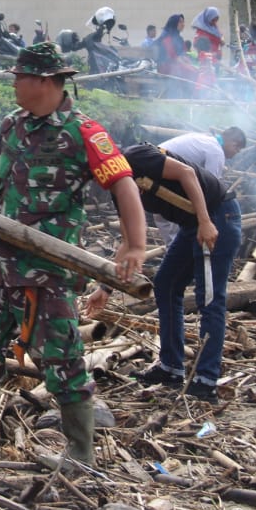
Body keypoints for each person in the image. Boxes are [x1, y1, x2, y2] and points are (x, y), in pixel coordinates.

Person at [0, 43, 147, 466]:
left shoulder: (83, 132)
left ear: (45, 81)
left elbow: (123, 184)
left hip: (49, 266)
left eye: (20, 77)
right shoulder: (13, 125)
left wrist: (134, 244)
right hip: (0, 258)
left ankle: (80, 451)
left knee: (59, 355)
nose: (15, 84)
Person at [87, 143, 241, 402]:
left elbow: (187, 174)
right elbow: (127, 241)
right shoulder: (118, 188)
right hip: (190, 224)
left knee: (210, 299)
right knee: (166, 283)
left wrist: (205, 221)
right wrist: (105, 287)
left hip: (216, 216)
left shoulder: (136, 157)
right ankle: (171, 367)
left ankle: (206, 380)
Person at [161, 128, 247, 179]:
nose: (234, 155)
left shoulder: (207, 139)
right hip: (160, 164)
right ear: (234, 145)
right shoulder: (217, 152)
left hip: (154, 156)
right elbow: (212, 185)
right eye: (237, 151)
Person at [154, 14, 190, 97]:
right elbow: (173, 56)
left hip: (177, 66)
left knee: (193, 70)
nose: (183, 24)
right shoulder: (166, 38)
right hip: (167, 67)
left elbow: (184, 54)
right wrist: (186, 65)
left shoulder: (179, 38)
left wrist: (188, 62)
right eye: (180, 22)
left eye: (183, 22)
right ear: (174, 23)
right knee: (190, 71)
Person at [191, 7, 224, 91]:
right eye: (213, 20)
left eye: (216, 20)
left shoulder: (215, 28)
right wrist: (208, 52)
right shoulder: (201, 30)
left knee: (213, 79)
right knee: (206, 81)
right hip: (206, 59)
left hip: (215, 59)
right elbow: (196, 43)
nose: (215, 22)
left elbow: (219, 37)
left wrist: (221, 40)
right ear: (208, 18)